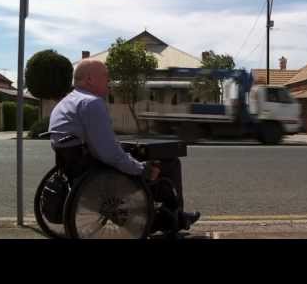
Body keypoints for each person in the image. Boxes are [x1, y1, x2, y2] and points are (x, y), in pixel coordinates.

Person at [48, 59, 200, 232]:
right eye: (105, 76)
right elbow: (109, 154)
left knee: (138, 152)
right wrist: (142, 169)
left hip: (77, 166)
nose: (109, 80)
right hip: (98, 172)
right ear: (89, 79)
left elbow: (98, 144)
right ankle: (175, 218)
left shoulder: (66, 102)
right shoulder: (91, 103)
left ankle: (168, 215)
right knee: (169, 163)